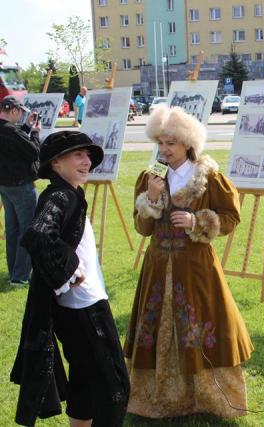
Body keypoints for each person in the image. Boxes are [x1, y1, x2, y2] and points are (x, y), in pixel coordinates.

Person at [125, 104, 253, 419]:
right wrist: (150, 199)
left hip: (196, 268)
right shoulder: (151, 177)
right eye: (160, 142)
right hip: (157, 267)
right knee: (155, 328)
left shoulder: (209, 178)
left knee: (200, 327)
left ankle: (207, 400)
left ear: (188, 143)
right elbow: (142, 228)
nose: (164, 149)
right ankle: (156, 399)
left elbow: (231, 217)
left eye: (171, 143)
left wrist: (197, 221)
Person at [10, 131, 130, 426]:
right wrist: (70, 271)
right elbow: (38, 235)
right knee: (115, 387)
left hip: (73, 305)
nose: (86, 161)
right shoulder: (60, 195)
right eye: (78, 155)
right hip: (84, 305)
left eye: (88, 155)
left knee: (84, 377)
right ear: (56, 163)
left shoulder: (68, 193)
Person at [0, 95, 40, 286]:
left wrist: (26, 128)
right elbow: (33, 152)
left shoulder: (9, 130)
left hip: (5, 185)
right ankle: (21, 275)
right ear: (14, 110)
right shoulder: (12, 131)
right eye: (20, 112)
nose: (21, 116)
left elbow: (15, 146)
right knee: (27, 230)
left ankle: (14, 271)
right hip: (21, 186)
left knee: (12, 230)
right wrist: (36, 134)